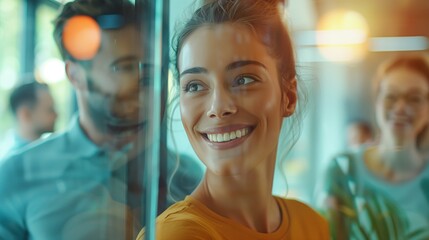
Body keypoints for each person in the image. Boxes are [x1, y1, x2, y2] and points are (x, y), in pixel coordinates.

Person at [0, 0, 202, 239]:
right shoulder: (19, 174)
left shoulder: (185, 173)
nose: (144, 89)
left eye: (151, 72)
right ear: (75, 75)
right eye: (124, 68)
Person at [137, 0, 329, 239]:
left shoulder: (313, 226)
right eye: (195, 85)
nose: (218, 108)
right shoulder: (177, 235)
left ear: (288, 97)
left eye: (244, 80)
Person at [323, 55, 429, 239]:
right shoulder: (343, 170)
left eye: (414, 98)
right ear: (377, 101)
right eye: (391, 96)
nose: (401, 107)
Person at [2, 81, 57, 157]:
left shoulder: (45, 151)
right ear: (26, 114)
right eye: (50, 110)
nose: (57, 115)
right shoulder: (10, 163)